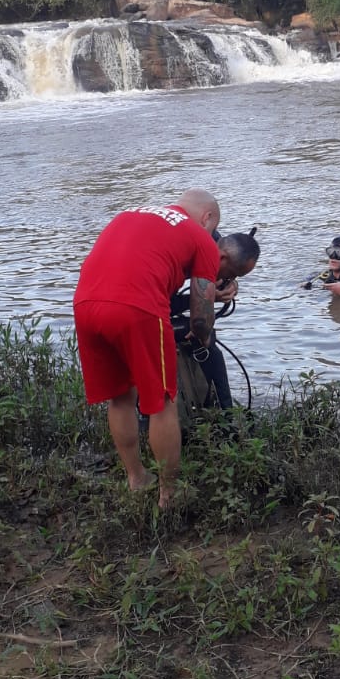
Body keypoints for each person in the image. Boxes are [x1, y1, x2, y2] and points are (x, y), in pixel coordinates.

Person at [73, 188, 250, 511]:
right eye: (214, 228)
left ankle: (136, 479)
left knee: (121, 397)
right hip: (137, 310)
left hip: (86, 304)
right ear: (207, 217)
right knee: (162, 402)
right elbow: (200, 318)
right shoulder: (200, 237)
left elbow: (140, 268)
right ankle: (169, 494)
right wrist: (205, 336)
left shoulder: (130, 213)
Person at [169, 230, 261, 411]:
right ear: (222, 258)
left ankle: (224, 415)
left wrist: (231, 285)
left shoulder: (213, 240)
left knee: (208, 342)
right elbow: (165, 304)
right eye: (232, 273)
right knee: (202, 335)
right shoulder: (179, 256)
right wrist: (205, 297)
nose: (230, 279)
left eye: (237, 277)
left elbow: (229, 259)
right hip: (141, 308)